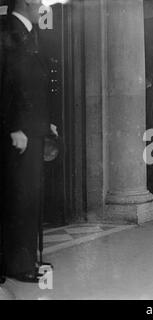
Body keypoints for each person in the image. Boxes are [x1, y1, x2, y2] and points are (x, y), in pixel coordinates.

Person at [0, 0, 56, 282]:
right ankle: (18, 265)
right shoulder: (8, 31)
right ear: (26, 3)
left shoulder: (29, 32)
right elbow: (7, 84)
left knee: (29, 198)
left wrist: (47, 124)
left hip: (32, 131)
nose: (42, 6)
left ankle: (26, 260)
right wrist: (13, 127)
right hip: (19, 134)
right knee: (19, 199)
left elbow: (32, 87)